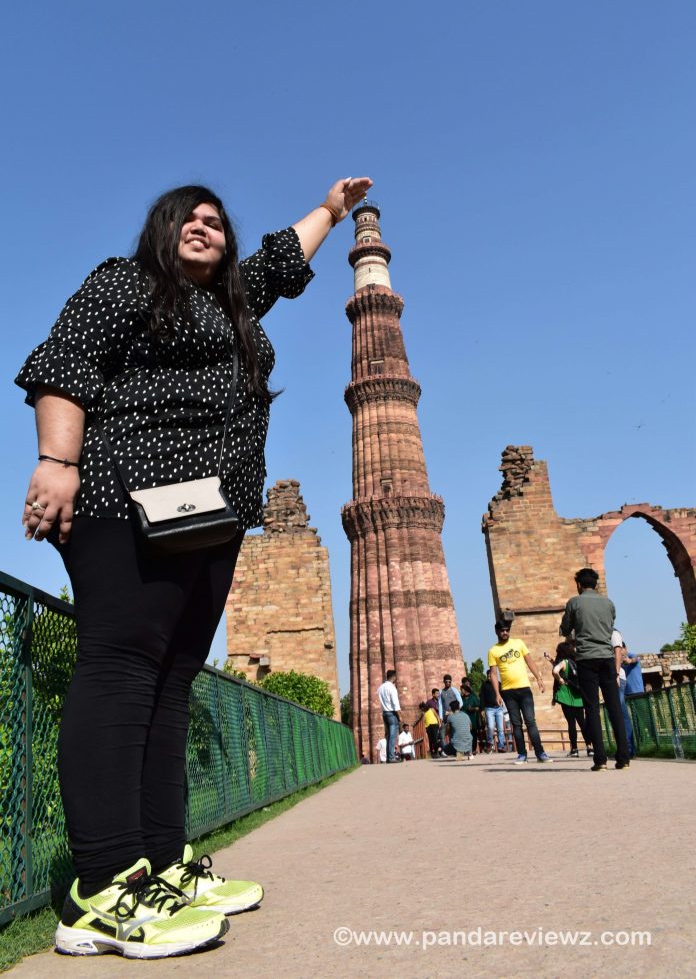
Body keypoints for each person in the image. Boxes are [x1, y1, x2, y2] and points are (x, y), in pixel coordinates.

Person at [16, 176, 373, 959]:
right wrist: (55, 461)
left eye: (216, 221)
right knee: (120, 668)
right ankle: (100, 888)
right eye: (191, 218)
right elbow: (65, 363)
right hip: (123, 494)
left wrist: (332, 210)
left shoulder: (235, 303)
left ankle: (163, 864)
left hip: (210, 515)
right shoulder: (126, 283)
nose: (205, 227)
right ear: (164, 229)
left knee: (173, 681)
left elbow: (284, 257)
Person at [559, 569, 630, 771]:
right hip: (607, 657)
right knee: (614, 706)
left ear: (579, 585)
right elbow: (610, 624)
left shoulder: (574, 602)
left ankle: (600, 759)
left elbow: (565, 628)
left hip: (587, 658)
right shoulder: (608, 603)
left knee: (591, 708)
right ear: (596, 584)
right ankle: (623, 757)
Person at [488, 621, 552, 764]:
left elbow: (529, 661)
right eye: (502, 630)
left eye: (507, 630)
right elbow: (493, 674)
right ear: (497, 632)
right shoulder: (493, 651)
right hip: (508, 691)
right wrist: (497, 694)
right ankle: (522, 754)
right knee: (516, 724)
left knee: (531, 722)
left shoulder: (519, 643)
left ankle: (540, 753)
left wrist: (539, 678)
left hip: (524, 688)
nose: (505, 632)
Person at [550, 641, 592, 758]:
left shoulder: (564, 662)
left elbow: (555, 671)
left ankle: (574, 749)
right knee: (582, 723)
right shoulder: (576, 663)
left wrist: (559, 679)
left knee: (571, 723)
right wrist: (551, 661)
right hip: (578, 696)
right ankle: (589, 747)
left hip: (566, 697)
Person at [377, 669, 402, 763]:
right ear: (394, 677)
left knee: (388, 736)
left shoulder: (381, 687)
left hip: (384, 713)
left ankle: (388, 757)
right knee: (392, 736)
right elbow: (395, 703)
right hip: (392, 713)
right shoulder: (392, 687)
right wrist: (400, 715)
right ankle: (391, 757)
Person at [480, 668, 506, 752]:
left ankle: (501, 746)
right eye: (488, 676)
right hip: (489, 709)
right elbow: (482, 698)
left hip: (498, 708)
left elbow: (503, 695)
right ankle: (490, 743)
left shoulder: (499, 684)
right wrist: (482, 709)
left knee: (500, 729)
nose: (489, 677)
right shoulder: (484, 685)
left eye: (490, 676)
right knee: (490, 727)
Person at [460, 678, 481, 754]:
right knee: (465, 735)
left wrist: (472, 708)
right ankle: (466, 750)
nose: (461, 691)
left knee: (473, 734)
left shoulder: (473, 697)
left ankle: (473, 749)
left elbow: (478, 706)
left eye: (462, 689)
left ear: (465, 690)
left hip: (472, 719)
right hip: (463, 720)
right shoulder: (461, 698)